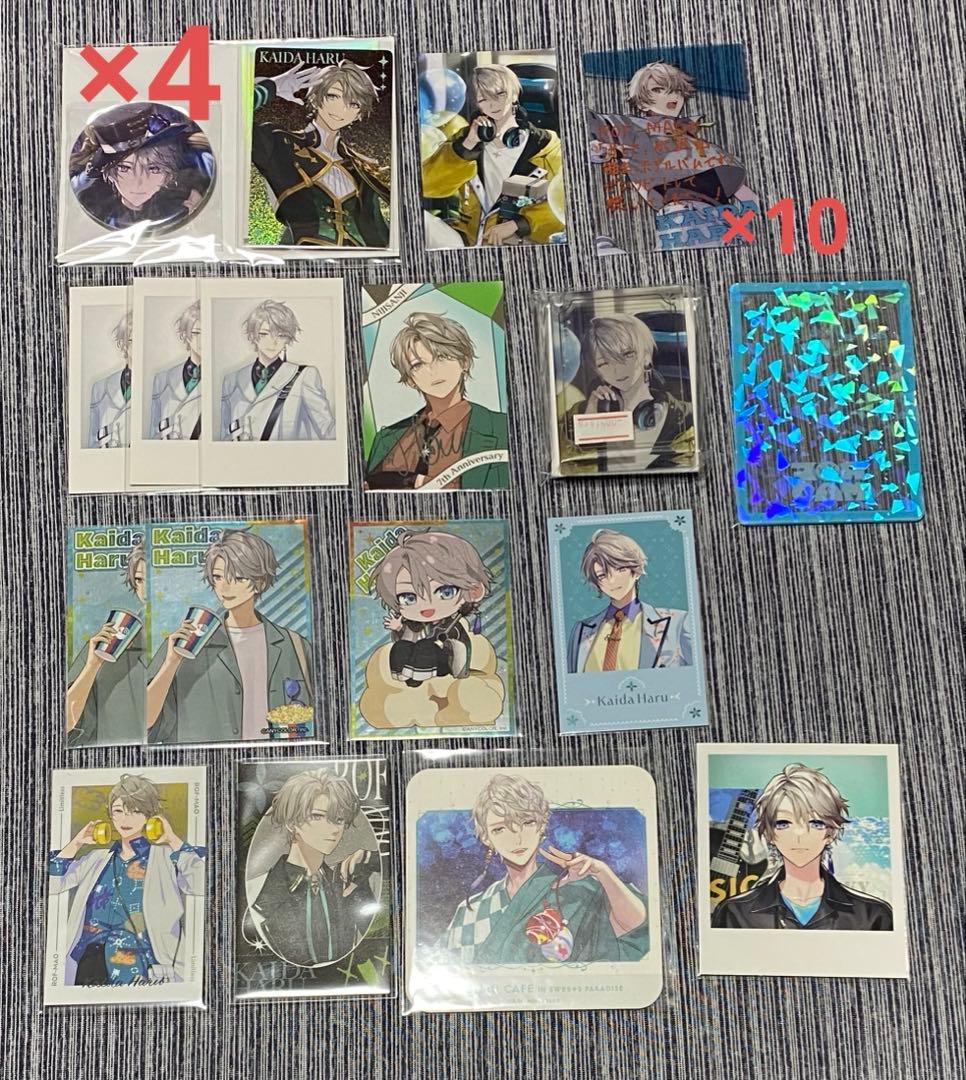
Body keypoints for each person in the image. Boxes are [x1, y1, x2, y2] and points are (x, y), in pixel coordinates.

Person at [443, 774, 648, 963]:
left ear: (541, 826)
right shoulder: (471, 909)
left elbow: (634, 927)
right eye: (500, 829)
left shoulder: (578, 889)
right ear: (486, 837)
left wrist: (602, 872)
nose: (517, 838)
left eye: (527, 822)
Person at [146, 529, 314, 744]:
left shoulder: (295, 646)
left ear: (260, 583)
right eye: (217, 577)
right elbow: (143, 724)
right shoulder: (186, 644)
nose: (224, 587)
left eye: (237, 577)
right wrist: (171, 663)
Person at [48, 773, 205, 986]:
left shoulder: (166, 857)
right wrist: (76, 843)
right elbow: (52, 884)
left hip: (142, 966)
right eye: (118, 811)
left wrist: (172, 839)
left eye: (135, 811)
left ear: (151, 816)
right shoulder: (96, 858)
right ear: (110, 816)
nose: (125, 819)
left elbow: (201, 883)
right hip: (89, 963)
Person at [587, 61, 758, 243]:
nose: (671, 95)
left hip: (721, 231)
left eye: (677, 90)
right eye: (658, 89)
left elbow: (749, 199)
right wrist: (598, 148)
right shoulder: (632, 129)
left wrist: (736, 234)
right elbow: (586, 122)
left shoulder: (705, 147)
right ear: (642, 103)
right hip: (679, 227)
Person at [711, 764, 894, 930]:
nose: (799, 835)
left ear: (831, 832)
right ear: (768, 833)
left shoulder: (873, 915)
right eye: (783, 823)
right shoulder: (735, 912)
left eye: (815, 823)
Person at [359, 530, 505, 728]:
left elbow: (459, 649)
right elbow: (409, 636)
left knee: (426, 647)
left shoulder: (454, 623)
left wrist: (445, 645)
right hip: (416, 667)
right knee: (401, 647)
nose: (426, 606)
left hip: (445, 663)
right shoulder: (417, 624)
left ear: (473, 591)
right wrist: (399, 627)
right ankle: (404, 675)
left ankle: (419, 675)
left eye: (445, 592)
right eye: (409, 597)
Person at [250, 60, 390, 247]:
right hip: (303, 257)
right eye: (333, 96)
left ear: (359, 114)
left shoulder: (361, 167)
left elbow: (379, 233)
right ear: (316, 97)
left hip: (358, 260)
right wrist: (271, 87)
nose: (342, 109)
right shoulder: (280, 142)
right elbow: (229, 114)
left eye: (353, 103)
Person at [421, 64, 563, 247]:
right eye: (483, 99)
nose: (492, 104)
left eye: (499, 95)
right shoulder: (465, 139)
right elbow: (427, 185)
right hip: (468, 241)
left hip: (519, 243)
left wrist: (520, 224)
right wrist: (467, 147)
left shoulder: (547, 147)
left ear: (514, 94)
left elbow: (566, 202)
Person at [246, 771, 378, 966]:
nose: (333, 829)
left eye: (339, 819)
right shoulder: (258, 889)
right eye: (317, 816)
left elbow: (379, 947)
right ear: (292, 822)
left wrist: (369, 858)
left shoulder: (346, 882)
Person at [365, 311, 508, 490]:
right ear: (410, 379)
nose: (433, 371)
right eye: (418, 365)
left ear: (464, 361)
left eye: (442, 357)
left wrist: (420, 482)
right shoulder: (386, 439)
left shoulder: (501, 428)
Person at [567, 314, 694, 471]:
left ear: (647, 356)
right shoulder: (581, 413)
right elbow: (572, 467)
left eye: (627, 355)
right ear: (597, 371)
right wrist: (590, 420)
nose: (617, 370)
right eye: (604, 363)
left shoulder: (685, 418)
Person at [69, 102, 214, 231]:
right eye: (124, 168)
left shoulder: (182, 198)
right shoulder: (93, 201)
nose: (139, 183)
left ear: (168, 175)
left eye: (154, 169)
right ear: (109, 174)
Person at [567, 529, 692, 673]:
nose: (612, 581)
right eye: (602, 576)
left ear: (636, 570)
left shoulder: (677, 624)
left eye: (619, 569)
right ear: (596, 583)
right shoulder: (581, 630)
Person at [219, 299, 335, 442]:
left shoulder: (303, 377)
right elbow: (223, 434)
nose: (273, 342)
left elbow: (328, 430)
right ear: (253, 336)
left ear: (287, 339)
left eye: (281, 335)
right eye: (264, 334)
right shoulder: (232, 380)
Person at [66, 541, 146, 747]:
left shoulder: (202, 637)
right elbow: (64, 722)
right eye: (140, 580)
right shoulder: (110, 637)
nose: (146, 590)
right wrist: (92, 665)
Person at [150, 300, 202, 440]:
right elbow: (153, 432)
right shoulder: (162, 380)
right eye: (197, 333)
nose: (202, 340)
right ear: (185, 335)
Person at [88, 310, 133, 450]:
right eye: (133, 341)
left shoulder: (158, 386)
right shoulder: (100, 388)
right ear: (122, 344)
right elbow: (92, 444)